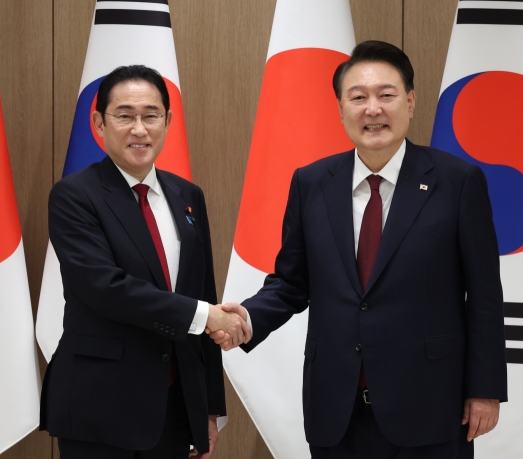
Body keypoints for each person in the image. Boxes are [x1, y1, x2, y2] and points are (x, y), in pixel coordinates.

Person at [211, 41, 507, 458]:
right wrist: (248, 318)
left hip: (430, 407)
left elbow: (484, 296)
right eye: (358, 97)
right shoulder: (311, 183)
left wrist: (485, 389)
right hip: (337, 410)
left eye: (386, 95)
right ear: (340, 108)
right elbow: (292, 283)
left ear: (410, 101)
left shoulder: (456, 182)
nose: (373, 109)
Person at [40, 65, 250, 459]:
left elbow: (203, 292)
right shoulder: (73, 196)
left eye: (151, 115)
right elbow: (105, 288)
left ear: (167, 121)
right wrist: (207, 315)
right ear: (99, 123)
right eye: (125, 115)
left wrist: (206, 409)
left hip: (173, 406)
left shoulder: (188, 195)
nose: (140, 129)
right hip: (101, 403)